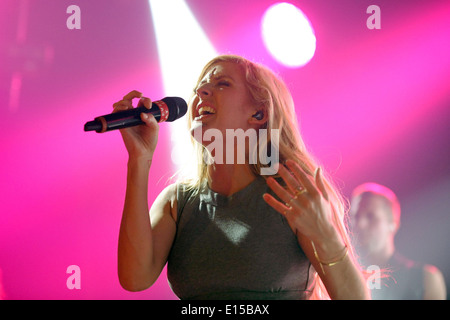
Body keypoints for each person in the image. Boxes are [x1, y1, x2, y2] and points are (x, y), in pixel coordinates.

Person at [115, 54, 370, 299]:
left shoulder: (292, 193)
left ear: (258, 114)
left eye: (221, 83)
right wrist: (139, 159)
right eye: (199, 87)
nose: (201, 92)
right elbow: (135, 279)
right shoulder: (177, 202)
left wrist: (326, 236)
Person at [350, 182, 446, 299]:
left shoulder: (425, 278)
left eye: (370, 216)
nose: (360, 224)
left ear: (393, 223)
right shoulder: (340, 275)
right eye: (355, 216)